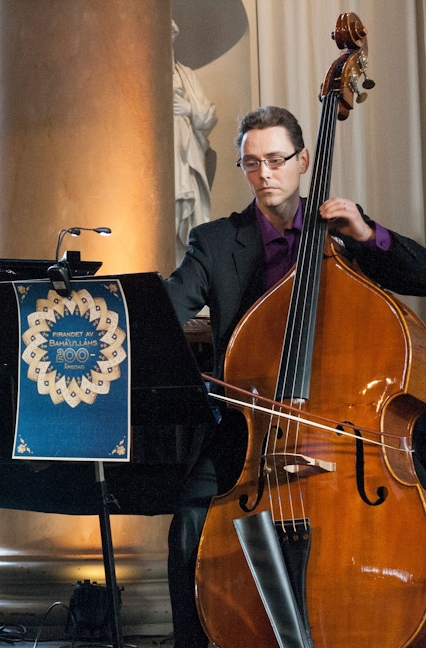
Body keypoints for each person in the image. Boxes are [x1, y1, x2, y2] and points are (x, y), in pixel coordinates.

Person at [163, 105, 426, 648]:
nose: (265, 174)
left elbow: (420, 274)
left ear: (303, 160)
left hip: (350, 433)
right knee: (189, 526)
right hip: (254, 428)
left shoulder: (345, 234)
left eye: (277, 160)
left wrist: (368, 231)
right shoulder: (216, 242)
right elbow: (164, 313)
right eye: (251, 163)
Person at [172, 20, 217, 263]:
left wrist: (188, 108)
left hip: (187, 157)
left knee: (189, 223)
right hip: (161, 159)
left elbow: (208, 115)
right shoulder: (141, 76)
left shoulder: (185, 74)